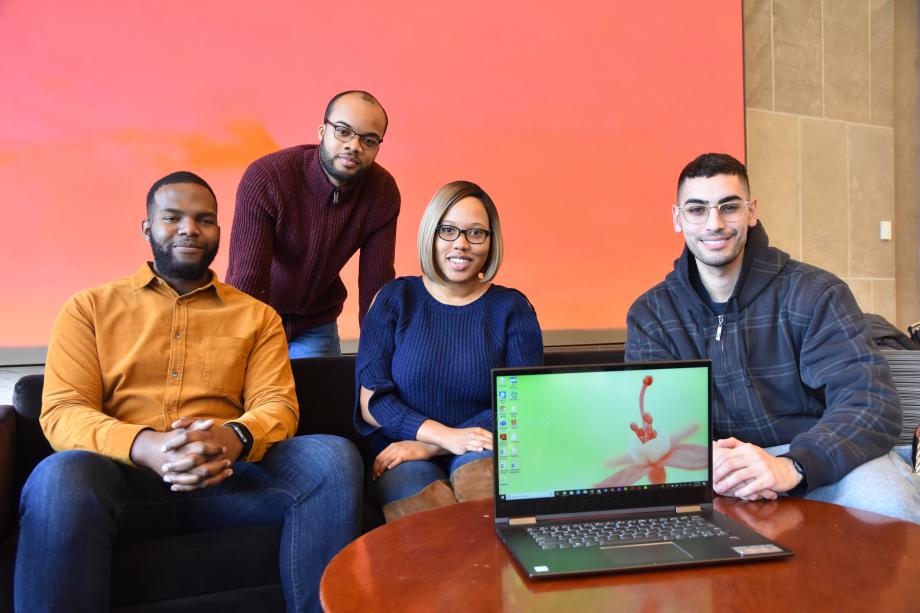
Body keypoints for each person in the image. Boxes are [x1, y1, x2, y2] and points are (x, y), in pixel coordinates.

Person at [15, 172, 362, 612]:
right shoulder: (89, 309)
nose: (189, 229)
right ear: (147, 228)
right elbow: (64, 411)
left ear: (219, 230)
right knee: (59, 475)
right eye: (173, 217)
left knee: (332, 457)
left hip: (227, 484)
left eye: (204, 220)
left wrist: (232, 438)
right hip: (125, 486)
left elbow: (277, 405)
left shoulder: (257, 317)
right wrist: (149, 446)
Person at [626, 152, 920, 522]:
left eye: (729, 207)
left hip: (818, 456)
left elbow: (870, 402)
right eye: (697, 209)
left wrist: (792, 465)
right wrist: (704, 459)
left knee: (889, 508)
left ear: (751, 212)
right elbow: (654, 422)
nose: (714, 223)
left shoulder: (816, 293)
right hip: (715, 467)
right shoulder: (652, 314)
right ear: (678, 218)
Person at [354, 181, 543, 521]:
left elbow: (520, 403)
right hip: (400, 449)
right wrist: (438, 436)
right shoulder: (394, 300)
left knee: (480, 489)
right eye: (448, 230)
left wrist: (434, 444)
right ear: (431, 234)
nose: (462, 244)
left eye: (476, 233)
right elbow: (373, 403)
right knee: (427, 516)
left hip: (482, 446)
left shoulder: (512, 308)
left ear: (490, 241)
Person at [227, 90, 400, 358]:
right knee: (257, 398)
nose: (355, 146)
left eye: (369, 140)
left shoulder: (382, 192)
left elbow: (376, 286)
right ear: (322, 131)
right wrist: (242, 348)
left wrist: (378, 360)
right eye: (343, 131)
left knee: (319, 398)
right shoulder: (268, 178)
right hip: (258, 316)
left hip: (316, 323)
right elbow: (248, 277)